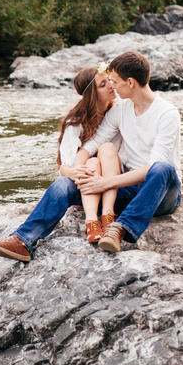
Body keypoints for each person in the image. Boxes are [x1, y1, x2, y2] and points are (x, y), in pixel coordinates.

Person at [0, 51, 181, 261]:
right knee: (63, 185)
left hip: (161, 193)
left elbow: (152, 166)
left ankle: (119, 229)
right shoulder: (122, 109)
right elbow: (91, 145)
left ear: (130, 82)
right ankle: (23, 241)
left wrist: (106, 183)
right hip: (126, 186)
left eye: (115, 81)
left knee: (162, 168)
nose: (113, 85)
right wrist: (80, 172)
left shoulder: (167, 113)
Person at [54, 63, 123, 243]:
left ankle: (108, 217)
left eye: (110, 80)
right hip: (85, 184)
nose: (111, 85)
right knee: (92, 162)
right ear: (92, 94)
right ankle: (91, 221)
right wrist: (75, 171)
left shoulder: (119, 111)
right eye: (103, 84)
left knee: (105, 149)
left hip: (113, 181)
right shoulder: (76, 122)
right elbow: (65, 167)